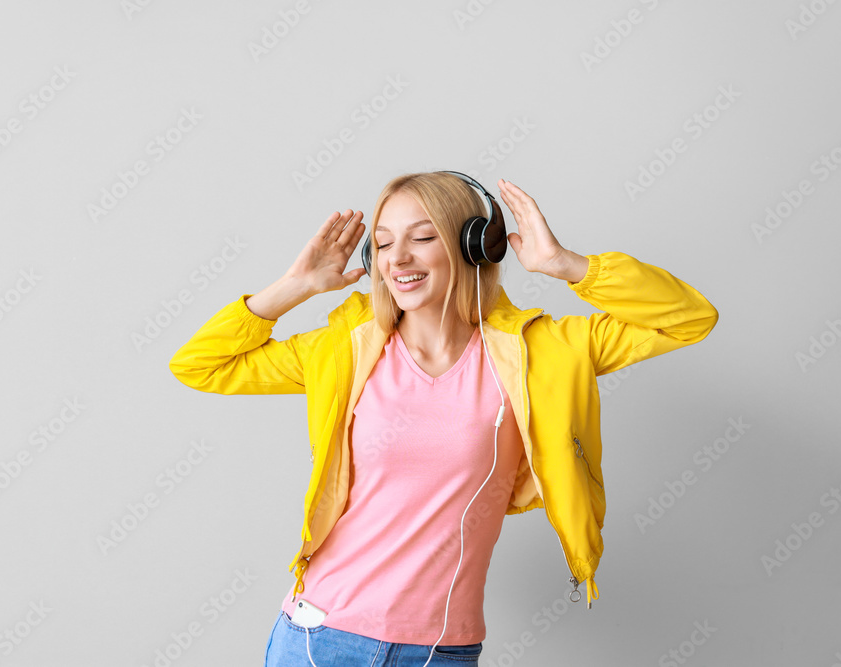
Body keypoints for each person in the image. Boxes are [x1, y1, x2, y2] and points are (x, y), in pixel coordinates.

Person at [168, 171, 719, 666]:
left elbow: (690, 320)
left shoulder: (541, 353)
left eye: (422, 237)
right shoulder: (345, 351)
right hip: (318, 638)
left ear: (474, 245)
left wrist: (566, 265)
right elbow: (198, 365)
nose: (397, 259)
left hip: (439, 650)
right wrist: (297, 286)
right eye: (382, 244)